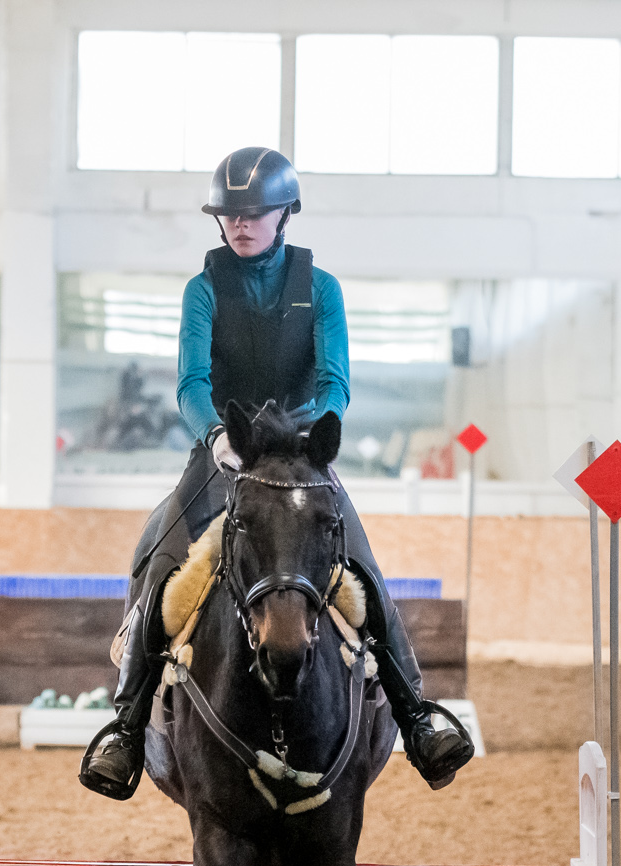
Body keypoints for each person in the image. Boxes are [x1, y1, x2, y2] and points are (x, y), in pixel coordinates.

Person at [79, 147, 475, 801]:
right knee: (161, 555)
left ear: (285, 212)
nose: (241, 222)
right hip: (224, 451)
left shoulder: (321, 290)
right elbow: (190, 382)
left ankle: (417, 718)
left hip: (300, 458)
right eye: (230, 213)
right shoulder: (203, 290)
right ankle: (125, 726)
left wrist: (307, 437)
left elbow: (334, 380)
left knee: (364, 565)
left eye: (254, 211)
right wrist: (217, 434)